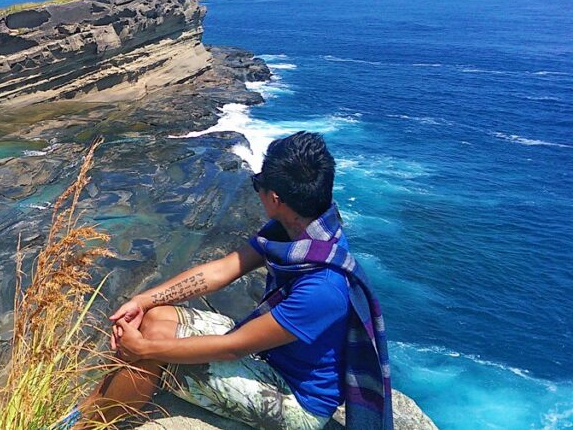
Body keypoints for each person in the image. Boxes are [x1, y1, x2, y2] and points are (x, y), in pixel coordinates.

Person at [72, 131, 393, 430]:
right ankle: (87, 412)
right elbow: (223, 269)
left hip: (296, 402)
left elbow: (233, 347)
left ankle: (89, 424)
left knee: (151, 349)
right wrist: (144, 300)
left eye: (257, 183)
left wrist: (143, 347)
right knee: (154, 318)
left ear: (276, 199)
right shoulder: (297, 234)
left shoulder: (323, 286)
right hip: (270, 357)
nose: (256, 189)